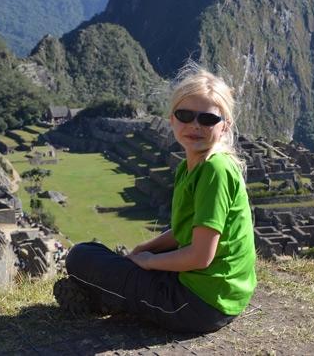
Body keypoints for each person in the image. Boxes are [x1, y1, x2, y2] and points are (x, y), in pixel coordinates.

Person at [54, 62, 257, 333]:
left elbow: (200, 256)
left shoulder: (214, 170)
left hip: (199, 306)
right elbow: (187, 230)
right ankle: (110, 294)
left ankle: (104, 298)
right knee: (116, 259)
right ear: (171, 119)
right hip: (220, 295)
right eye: (185, 115)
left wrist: (149, 261)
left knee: (80, 256)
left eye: (207, 119)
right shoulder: (193, 166)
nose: (195, 125)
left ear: (224, 126)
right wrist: (145, 249)